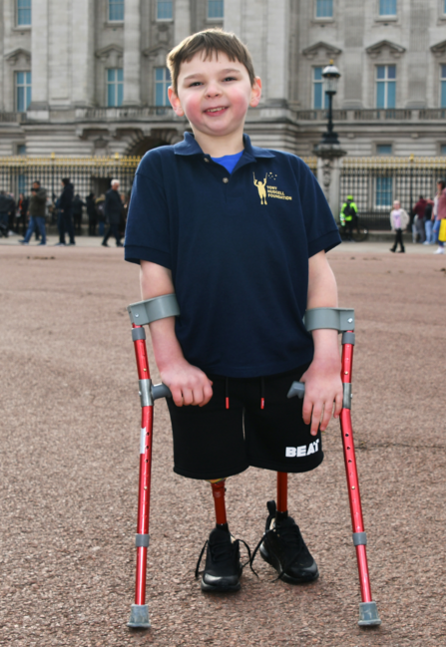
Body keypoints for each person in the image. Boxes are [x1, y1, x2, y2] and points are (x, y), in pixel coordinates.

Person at [124, 28, 342, 594]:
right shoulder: (159, 169)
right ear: (175, 99)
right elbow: (154, 273)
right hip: (203, 354)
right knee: (212, 455)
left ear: (255, 88)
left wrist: (326, 364)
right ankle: (221, 532)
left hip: (283, 349)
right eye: (195, 83)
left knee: (287, 454)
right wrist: (168, 362)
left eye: (228, 78)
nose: (213, 92)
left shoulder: (290, 170)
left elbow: (319, 271)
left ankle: (280, 526)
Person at [19, 181, 47, 245]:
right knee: (30, 227)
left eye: (35, 185)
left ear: (38, 185)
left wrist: (36, 195)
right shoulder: (33, 192)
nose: (33, 186)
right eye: (33, 185)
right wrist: (29, 210)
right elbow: (31, 202)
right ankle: (26, 240)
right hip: (33, 212)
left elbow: (42, 200)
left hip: (39, 212)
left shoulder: (42, 191)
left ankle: (43, 241)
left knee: (41, 227)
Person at [432, 180, 446, 254]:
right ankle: (441, 246)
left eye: (437, 184)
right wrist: (433, 214)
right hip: (437, 215)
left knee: (436, 230)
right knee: (437, 231)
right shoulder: (438, 193)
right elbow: (436, 205)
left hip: (443, 215)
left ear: (440, 184)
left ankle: (441, 246)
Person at [102, 179, 124, 247]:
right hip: (111, 214)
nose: (117, 187)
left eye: (118, 186)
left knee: (112, 229)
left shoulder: (116, 193)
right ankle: (118, 242)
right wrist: (106, 214)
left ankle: (104, 241)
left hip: (116, 214)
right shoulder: (109, 193)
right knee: (114, 228)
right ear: (112, 185)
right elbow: (106, 204)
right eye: (116, 186)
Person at [55, 177, 76, 246]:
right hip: (66, 209)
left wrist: (63, 208)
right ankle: (67, 240)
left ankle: (64, 241)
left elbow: (67, 200)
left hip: (65, 210)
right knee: (66, 225)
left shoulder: (67, 189)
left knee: (63, 225)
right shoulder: (68, 189)